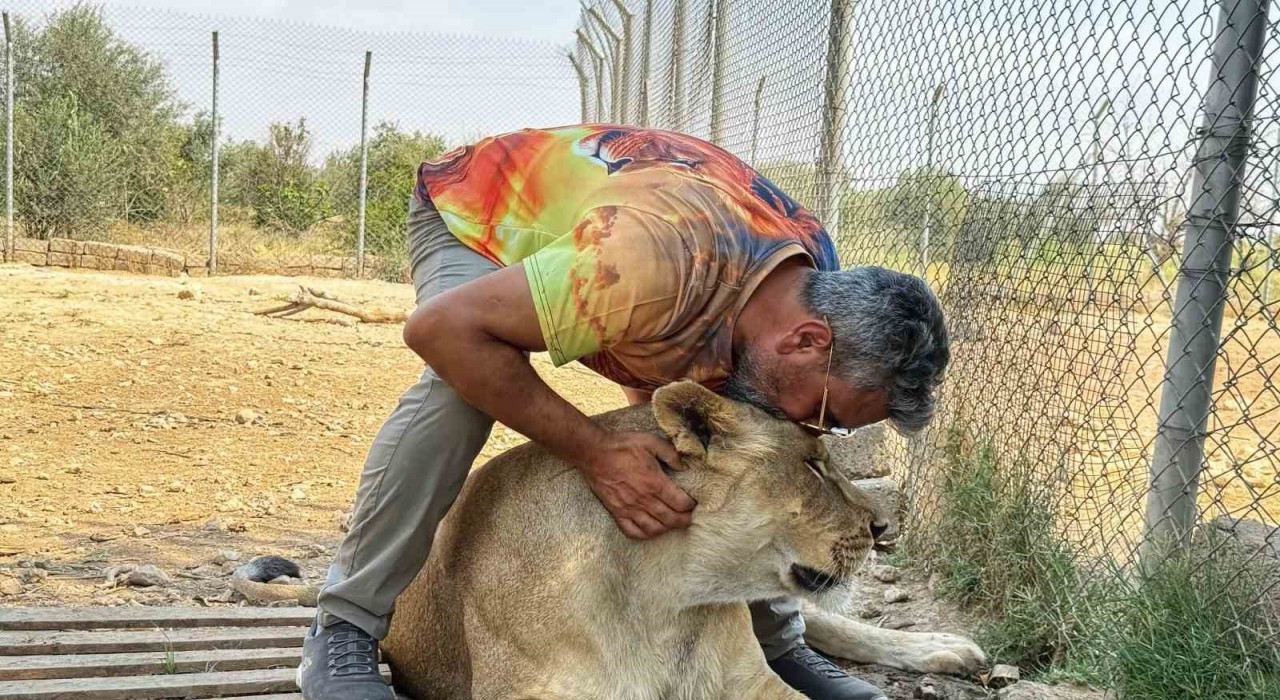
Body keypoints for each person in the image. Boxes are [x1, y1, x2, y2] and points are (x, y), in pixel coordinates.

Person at [297, 124, 950, 700]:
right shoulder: (644, 269)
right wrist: (596, 452)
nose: (820, 429)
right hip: (482, 217)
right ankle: (346, 622)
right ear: (809, 341)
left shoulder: (811, 280)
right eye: (831, 414)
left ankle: (777, 641)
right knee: (457, 389)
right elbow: (442, 331)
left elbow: (754, 450)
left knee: (752, 443)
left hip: (639, 255)